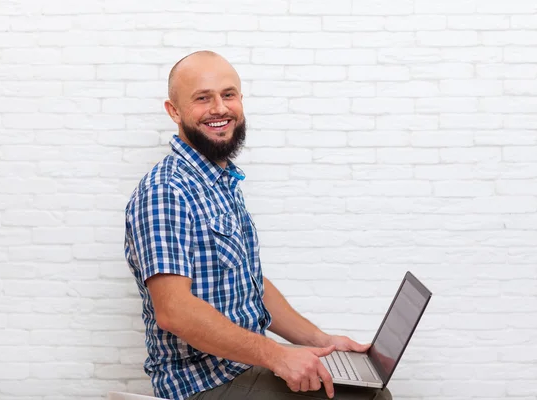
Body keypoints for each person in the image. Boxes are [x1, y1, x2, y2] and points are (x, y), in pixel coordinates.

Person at [124, 51, 392, 400]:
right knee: (368, 399)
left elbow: (250, 283)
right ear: (174, 111)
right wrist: (278, 356)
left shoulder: (219, 183)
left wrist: (322, 341)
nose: (220, 108)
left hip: (242, 366)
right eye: (203, 98)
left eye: (229, 94)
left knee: (367, 388)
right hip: (203, 384)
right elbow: (175, 311)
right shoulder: (166, 191)